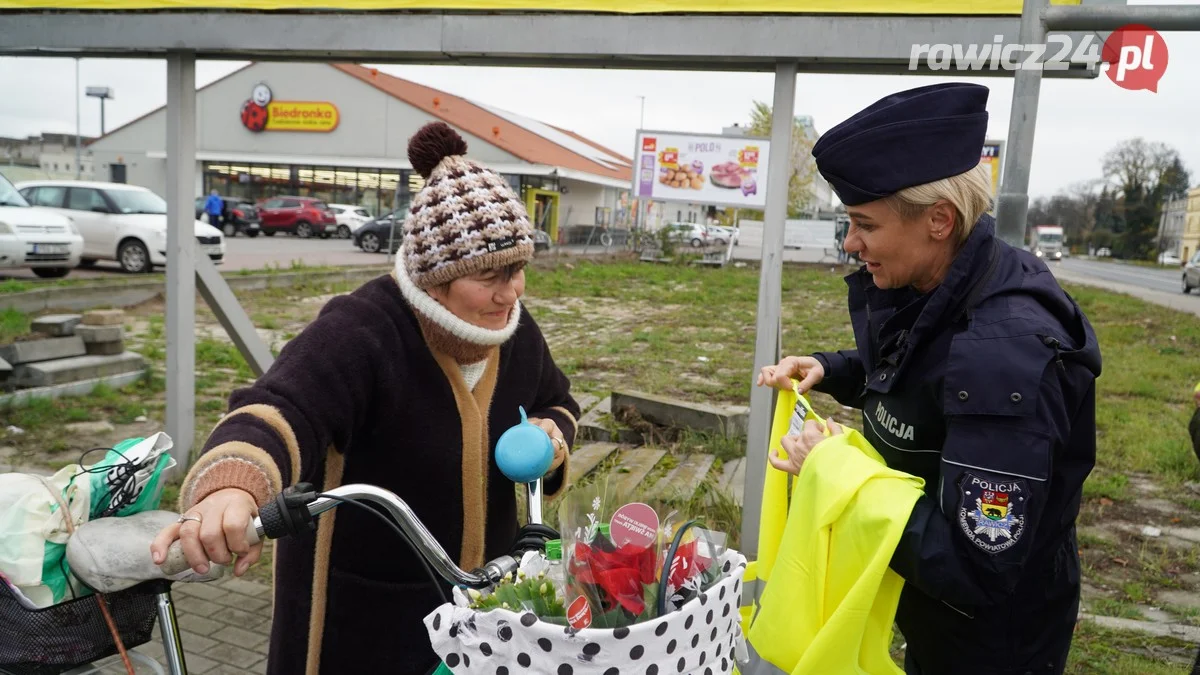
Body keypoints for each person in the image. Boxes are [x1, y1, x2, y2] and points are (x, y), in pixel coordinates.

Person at [151, 122, 581, 675]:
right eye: (491, 276)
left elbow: (560, 402)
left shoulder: (517, 336)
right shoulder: (363, 330)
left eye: (518, 269)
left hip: (484, 613)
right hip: (365, 615)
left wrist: (552, 434)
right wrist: (232, 488)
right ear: (436, 279)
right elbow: (280, 408)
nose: (512, 291)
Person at [755, 83, 1102, 675]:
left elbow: (974, 565)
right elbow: (923, 363)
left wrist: (833, 470)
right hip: (934, 616)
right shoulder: (952, 280)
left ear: (939, 220)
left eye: (865, 224)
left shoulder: (1003, 356)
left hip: (987, 643)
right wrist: (834, 368)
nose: (850, 243)